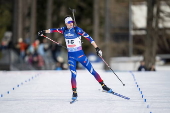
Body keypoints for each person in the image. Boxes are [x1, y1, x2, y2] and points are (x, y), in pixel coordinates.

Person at [38, 16, 112, 100]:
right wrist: (43, 31)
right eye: (69, 23)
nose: (71, 24)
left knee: (92, 71)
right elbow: (53, 30)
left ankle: (104, 86)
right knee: (73, 74)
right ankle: (74, 93)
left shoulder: (77, 30)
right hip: (71, 57)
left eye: (72, 22)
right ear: (66, 23)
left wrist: (97, 48)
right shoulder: (64, 30)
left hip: (81, 56)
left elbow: (89, 38)